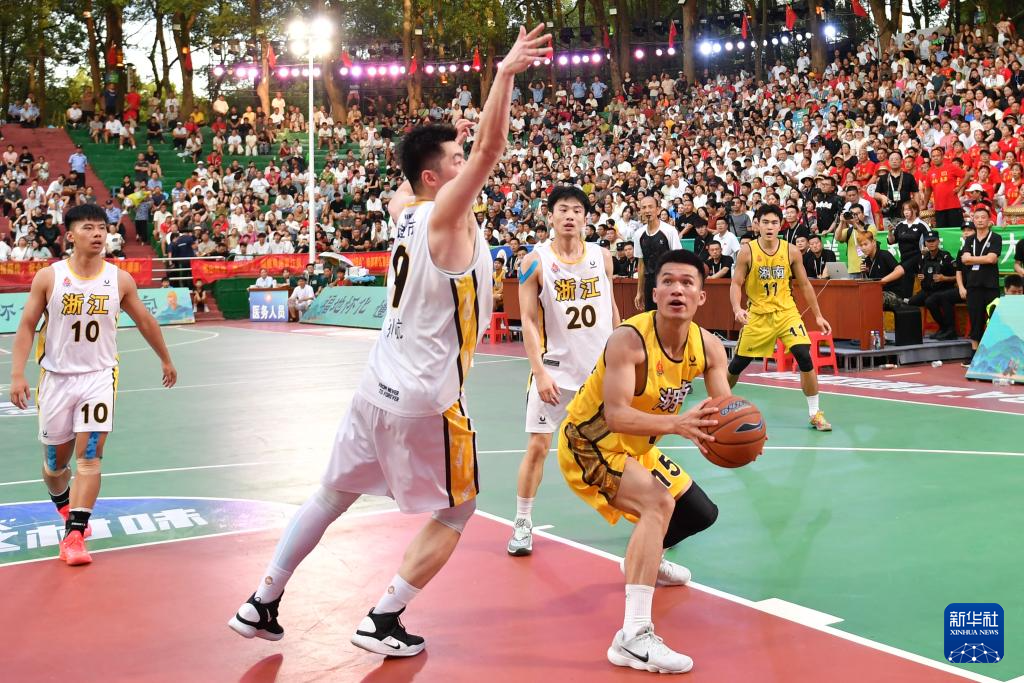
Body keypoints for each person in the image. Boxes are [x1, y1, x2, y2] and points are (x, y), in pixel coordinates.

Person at [228, 24, 551, 656]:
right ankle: (383, 618)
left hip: (376, 385)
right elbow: (490, 149)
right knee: (458, 509)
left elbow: (402, 185)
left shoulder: (406, 212)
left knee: (331, 494)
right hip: (427, 397)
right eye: (454, 162)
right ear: (436, 179)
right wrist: (504, 75)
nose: (466, 165)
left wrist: (434, 143)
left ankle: (261, 600)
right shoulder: (445, 218)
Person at [557, 249, 732, 674]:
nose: (677, 290)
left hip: (637, 445)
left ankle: (642, 559)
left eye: (687, 283)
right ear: (654, 293)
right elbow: (616, 415)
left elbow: (725, 409)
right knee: (658, 504)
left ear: (701, 297)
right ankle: (633, 637)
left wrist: (740, 438)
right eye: (668, 281)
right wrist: (678, 424)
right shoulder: (629, 340)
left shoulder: (709, 347)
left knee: (700, 512)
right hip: (591, 442)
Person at [7, 203, 177, 566]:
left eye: (102, 227)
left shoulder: (119, 280)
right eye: (88, 227)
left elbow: (145, 321)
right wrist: (17, 373)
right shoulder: (49, 278)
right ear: (70, 235)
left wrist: (165, 357)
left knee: (90, 456)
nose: (97, 233)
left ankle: (74, 534)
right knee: (56, 464)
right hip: (56, 378)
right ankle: (63, 502)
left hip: (99, 377)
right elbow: (26, 326)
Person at [507, 186, 620, 557]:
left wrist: (624, 357)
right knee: (538, 447)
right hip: (555, 373)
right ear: (550, 216)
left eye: (576, 210)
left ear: (586, 217)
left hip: (601, 373)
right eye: (562, 209)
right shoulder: (534, 262)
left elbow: (611, 310)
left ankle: (651, 518)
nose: (569, 216)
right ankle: (522, 522)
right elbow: (528, 320)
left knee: (625, 447)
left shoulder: (602, 257)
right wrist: (539, 372)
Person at [728, 204, 833, 431]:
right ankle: (718, 404)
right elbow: (736, 283)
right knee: (738, 364)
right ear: (757, 224)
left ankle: (815, 413)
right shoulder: (747, 251)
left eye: (774, 222)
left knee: (804, 355)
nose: (769, 227)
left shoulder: (791, 251)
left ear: (780, 225)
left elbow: (805, 285)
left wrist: (818, 315)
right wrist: (737, 308)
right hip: (758, 315)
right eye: (765, 222)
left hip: (787, 313)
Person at [957, 206, 1003, 368]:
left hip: (990, 285)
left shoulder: (996, 238)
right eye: (977, 218)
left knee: (993, 319)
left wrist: (973, 259)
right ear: (973, 220)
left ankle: (994, 353)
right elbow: (964, 260)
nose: (980, 220)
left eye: (983, 217)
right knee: (975, 319)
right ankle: (974, 354)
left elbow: (992, 259)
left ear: (989, 220)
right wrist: (980, 258)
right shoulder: (969, 239)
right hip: (973, 285)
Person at [633, 195, 681, 312]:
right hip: (649, 284)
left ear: (658, 210)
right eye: (644, 207)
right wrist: (639, 292)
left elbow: (678, 260)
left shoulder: (670, 231)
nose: (647, 210)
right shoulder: (638, 234)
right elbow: (641, 264)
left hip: (667, 282)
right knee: (651, 316)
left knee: (669, 315)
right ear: (640, 211)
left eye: (650, 207)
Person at [909, 231, 958, 339]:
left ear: (938, 241)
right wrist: (921, 277)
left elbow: (957, 277)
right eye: (928, 241)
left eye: (933, 241)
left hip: (943, 289)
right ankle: (943, 327)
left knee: (930, 301)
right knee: (912, 302)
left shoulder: (946, 257)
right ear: (925, 243)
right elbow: (921, 273)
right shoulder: (924, 258)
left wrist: (944, 278)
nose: (931, 243)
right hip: (928, 290)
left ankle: (948, 329)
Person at [858, 232, 905, 310]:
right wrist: (864, 273)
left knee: (872, 298)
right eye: (861, 245)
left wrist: (882, 281)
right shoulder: (867, 260)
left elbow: (900, 270)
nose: (863, 248)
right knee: (859, 297)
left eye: (865, 244)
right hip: (878, 292)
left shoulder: (884, 255)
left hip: (893, 294)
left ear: (873, 243)